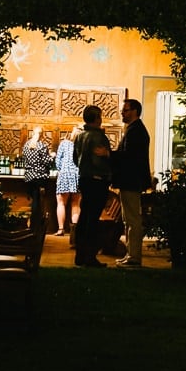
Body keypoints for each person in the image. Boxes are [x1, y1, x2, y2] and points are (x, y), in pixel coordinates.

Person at [111, 99, 152, 267]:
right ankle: (130, 254)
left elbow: (128, 156)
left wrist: (108, 154)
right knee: (128, 218)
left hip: (131, 180)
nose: (122, 113)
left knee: (133, 219)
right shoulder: (134, 130)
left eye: (126, 110)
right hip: (130, 180)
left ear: (135, 111)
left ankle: (134, 256)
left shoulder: (136, 131)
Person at [73, 104, 112, 268]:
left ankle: (80, 255)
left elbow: (75, 159)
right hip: (97, 180)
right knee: (93, 219)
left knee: (84, 216)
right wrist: (108, 173)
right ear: (97, 118)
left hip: (84, 178)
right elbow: (100, 161)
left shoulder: (80, 136)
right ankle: (90, 256)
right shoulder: (98, 137)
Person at [22, 126, 53, 224]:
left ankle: (32, 222)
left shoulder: (26, 145)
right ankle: (35, 223)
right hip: (39, 177)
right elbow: (46, 162)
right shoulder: (41, 146)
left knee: (33, 199)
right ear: (42, 135)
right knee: (38, 201)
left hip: (28, 176)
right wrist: (52, 156)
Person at [55, 126, 81, 237]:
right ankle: (74, 231)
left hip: (65, 174)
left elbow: (58, 161)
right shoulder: (82, 145)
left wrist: (61, 169)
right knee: (76, 204)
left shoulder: (64, 143)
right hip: (78, 174)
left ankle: (61, 229)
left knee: (61, 203)